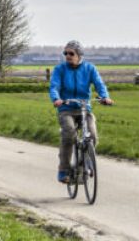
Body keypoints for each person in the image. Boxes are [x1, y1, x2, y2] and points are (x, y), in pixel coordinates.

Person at [48, 40, 113, 183]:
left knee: (93, 135)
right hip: (66, 108)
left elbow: (99, 84)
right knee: (69, 134)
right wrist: (56, 99)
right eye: (65, 53)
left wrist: (105, 97)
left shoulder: (90, 69)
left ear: (79, 55)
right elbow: (54, 86)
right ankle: (63, 170)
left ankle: (83, 166)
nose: (68, 56)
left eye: (71, 53)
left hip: (85, 108)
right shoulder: (60, 70)